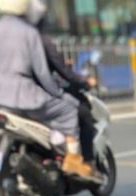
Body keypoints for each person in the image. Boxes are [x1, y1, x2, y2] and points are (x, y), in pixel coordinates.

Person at [0, 0, 96, 180]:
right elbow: (42, 73)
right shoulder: (29, 32)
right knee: (68, 111)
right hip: (25, 95)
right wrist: (58, 94)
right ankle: (73, 160)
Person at [27, 0, 96, 166]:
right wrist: (84, 81)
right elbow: (62, 71)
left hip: (9, 97)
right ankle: (82, 163)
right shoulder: (41, 41)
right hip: (39, 95)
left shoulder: (13, 39)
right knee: (82, 112)